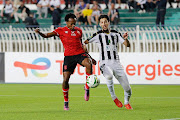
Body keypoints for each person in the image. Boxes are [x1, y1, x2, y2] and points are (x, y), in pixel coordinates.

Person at [34, 13, 96, 111]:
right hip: (69, 57)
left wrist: (90, 57)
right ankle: (66, 101)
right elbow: (47, 35)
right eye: (71, 24)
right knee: (65, 79)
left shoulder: (79, 31)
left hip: (79, 54)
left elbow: (81, 45)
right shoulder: (60, 31)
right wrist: (40, 33)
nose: (73, 26)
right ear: (66, 22)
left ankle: (87, 87)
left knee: (89, 64)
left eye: (74, 24)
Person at [84, 15, 133, 110]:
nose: (104, 24)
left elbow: (127, 45)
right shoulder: (97, 35)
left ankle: (126, 102)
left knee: (128, 88)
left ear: (108, 22)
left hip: (116, 63)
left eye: (105, 22)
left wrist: (126, 38)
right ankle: (114, 97)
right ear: (99, 24)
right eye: (102, 22)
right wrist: (85, 48)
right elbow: (85, 42)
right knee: (109, 76)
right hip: (104, 63)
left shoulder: (116, 34)